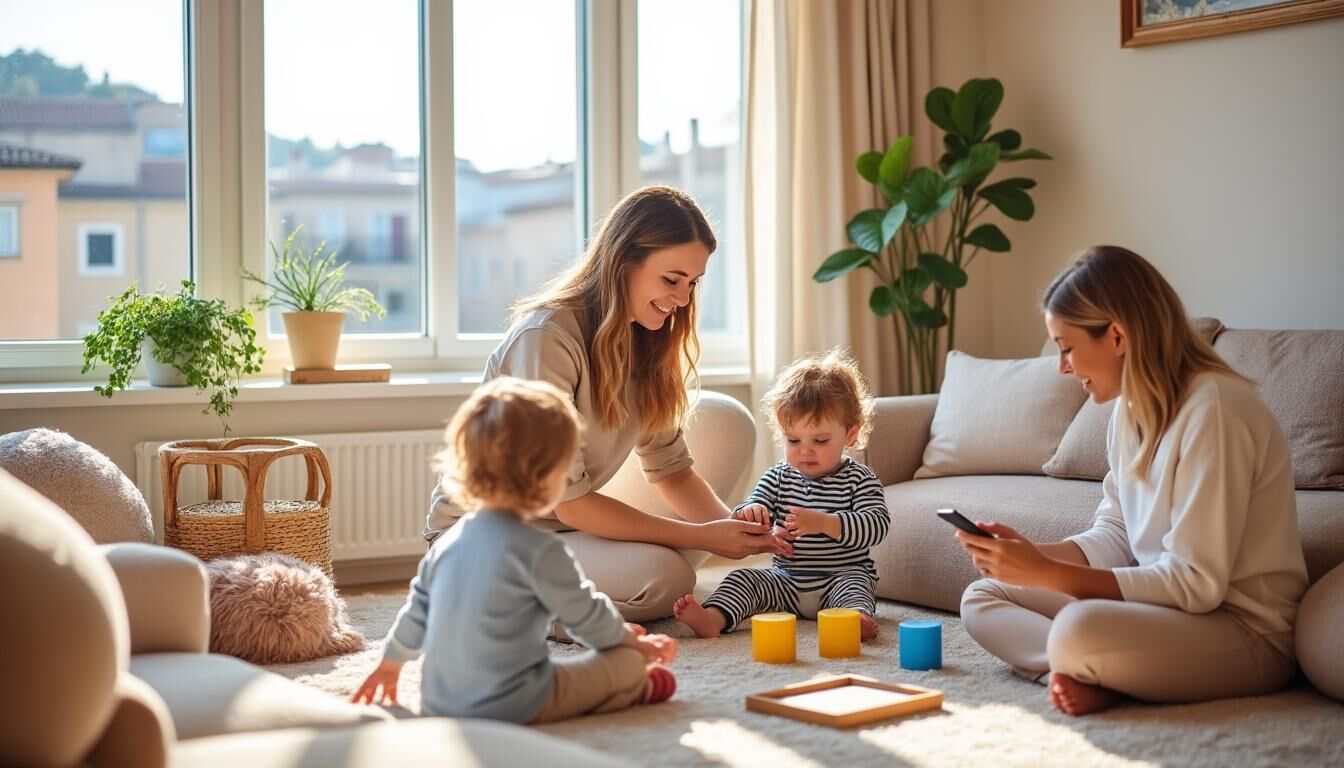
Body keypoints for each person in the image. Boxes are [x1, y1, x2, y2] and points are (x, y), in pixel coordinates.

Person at [956, 245, 1308, 716]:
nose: (1062, 367)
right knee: (983, 595)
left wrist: (1048, 574)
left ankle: (1095, 665)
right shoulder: (1127, 410)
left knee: (1079, 627)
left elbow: (1196, 584)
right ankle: (1085, 673)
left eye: (1066, 348)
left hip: (1242, 630)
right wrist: (1032, 555)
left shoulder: (1216, 410)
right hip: (1163, 615)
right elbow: (1117, 534)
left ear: (1117, 336)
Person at [424, 185, 776, 622]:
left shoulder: (647, 341)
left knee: (674, 566)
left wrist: (737, 530)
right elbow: (568, 501)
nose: (683, 299)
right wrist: (703, 537)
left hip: (562, 532)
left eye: (693, 282)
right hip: (484, 538)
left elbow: (671, 470)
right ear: (624, 261)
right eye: (672, 279)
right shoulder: (548, 337)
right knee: (668, 579)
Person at [351, 377, 679, 723]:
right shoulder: (541, 550)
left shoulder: (446, 544)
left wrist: (389, 665)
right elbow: (587, 618)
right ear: (546, 477)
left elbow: (417, 613)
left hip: (440, 702)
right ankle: (635, 688)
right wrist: (633, 645)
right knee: (623, 664)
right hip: (515, 703)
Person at [673, 349, 890, 640]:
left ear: (850, 435)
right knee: (744, 579)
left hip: (839, 578)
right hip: (785, 581)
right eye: (793, 440)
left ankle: (852, 620)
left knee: (856, 586)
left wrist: (825, 523)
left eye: (820, 440)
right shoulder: (778, 476)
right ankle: (713, 618)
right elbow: (752, 505)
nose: (805, 450)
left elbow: (876, 526)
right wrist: (753, 513)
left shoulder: (860, 479)